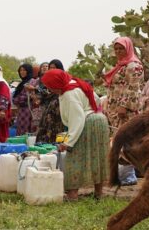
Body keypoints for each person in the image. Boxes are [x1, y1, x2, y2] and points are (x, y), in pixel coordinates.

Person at [41, 69, 109, 201]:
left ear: (57, 84)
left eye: (51, 87)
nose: (50, 90)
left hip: (87, 123)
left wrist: (68, 142)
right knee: (97, 157)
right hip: (99, 121)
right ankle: (99, 193)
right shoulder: (77, 84)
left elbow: (77, 119)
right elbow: (96, 101)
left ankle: (73, 195)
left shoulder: (69, 94)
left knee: (75, 158)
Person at [103, 37, 144, 185]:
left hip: (126, 110)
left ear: (128, 48)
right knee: (119, 140)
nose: (119, 51)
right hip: (115, 108)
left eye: (121, 48)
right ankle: (122, 175)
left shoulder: (134, 66)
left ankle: (129, 176)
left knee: (127, 141)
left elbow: (133, 88)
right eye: (116, 49)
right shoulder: (121, 65)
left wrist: (123, 106)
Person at [36, 59, 65, 143]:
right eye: (50, 67)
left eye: (54, 67)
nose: (51, 69)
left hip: (58, 111)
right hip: (48, 110)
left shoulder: (62, 79)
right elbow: (44, 93)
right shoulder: (47, 79)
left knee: (55, 134)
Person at [12, 63, 39, 135]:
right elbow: (15, 98)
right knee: (21, 132)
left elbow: (36, 95)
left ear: (29, 71)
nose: (22, 72)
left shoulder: (33, 81)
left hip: (30, 111)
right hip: (21, 112)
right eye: (20, 70)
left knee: (30, 133)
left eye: (24, 70)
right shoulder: (21, 84)